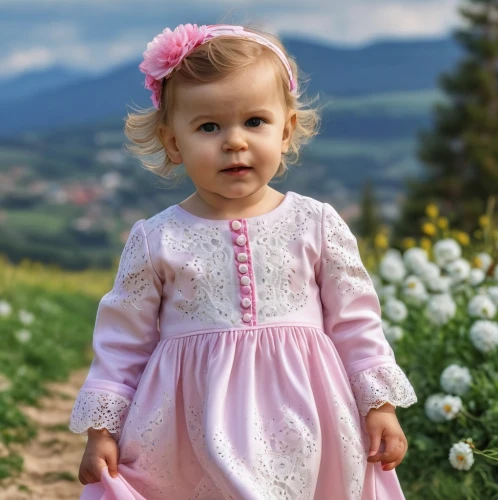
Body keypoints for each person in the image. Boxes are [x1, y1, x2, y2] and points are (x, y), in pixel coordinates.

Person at [69, 23, 417, 500]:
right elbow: (122, 342)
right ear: (173, 142)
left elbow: (356, 322)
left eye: (255, 122)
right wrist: (102, 431)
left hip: (306, 414)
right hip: (190, 426)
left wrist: (379, 405)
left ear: (287, 129)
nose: (234, 141)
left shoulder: (315, 223)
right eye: (208, 126)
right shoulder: (157, 238)